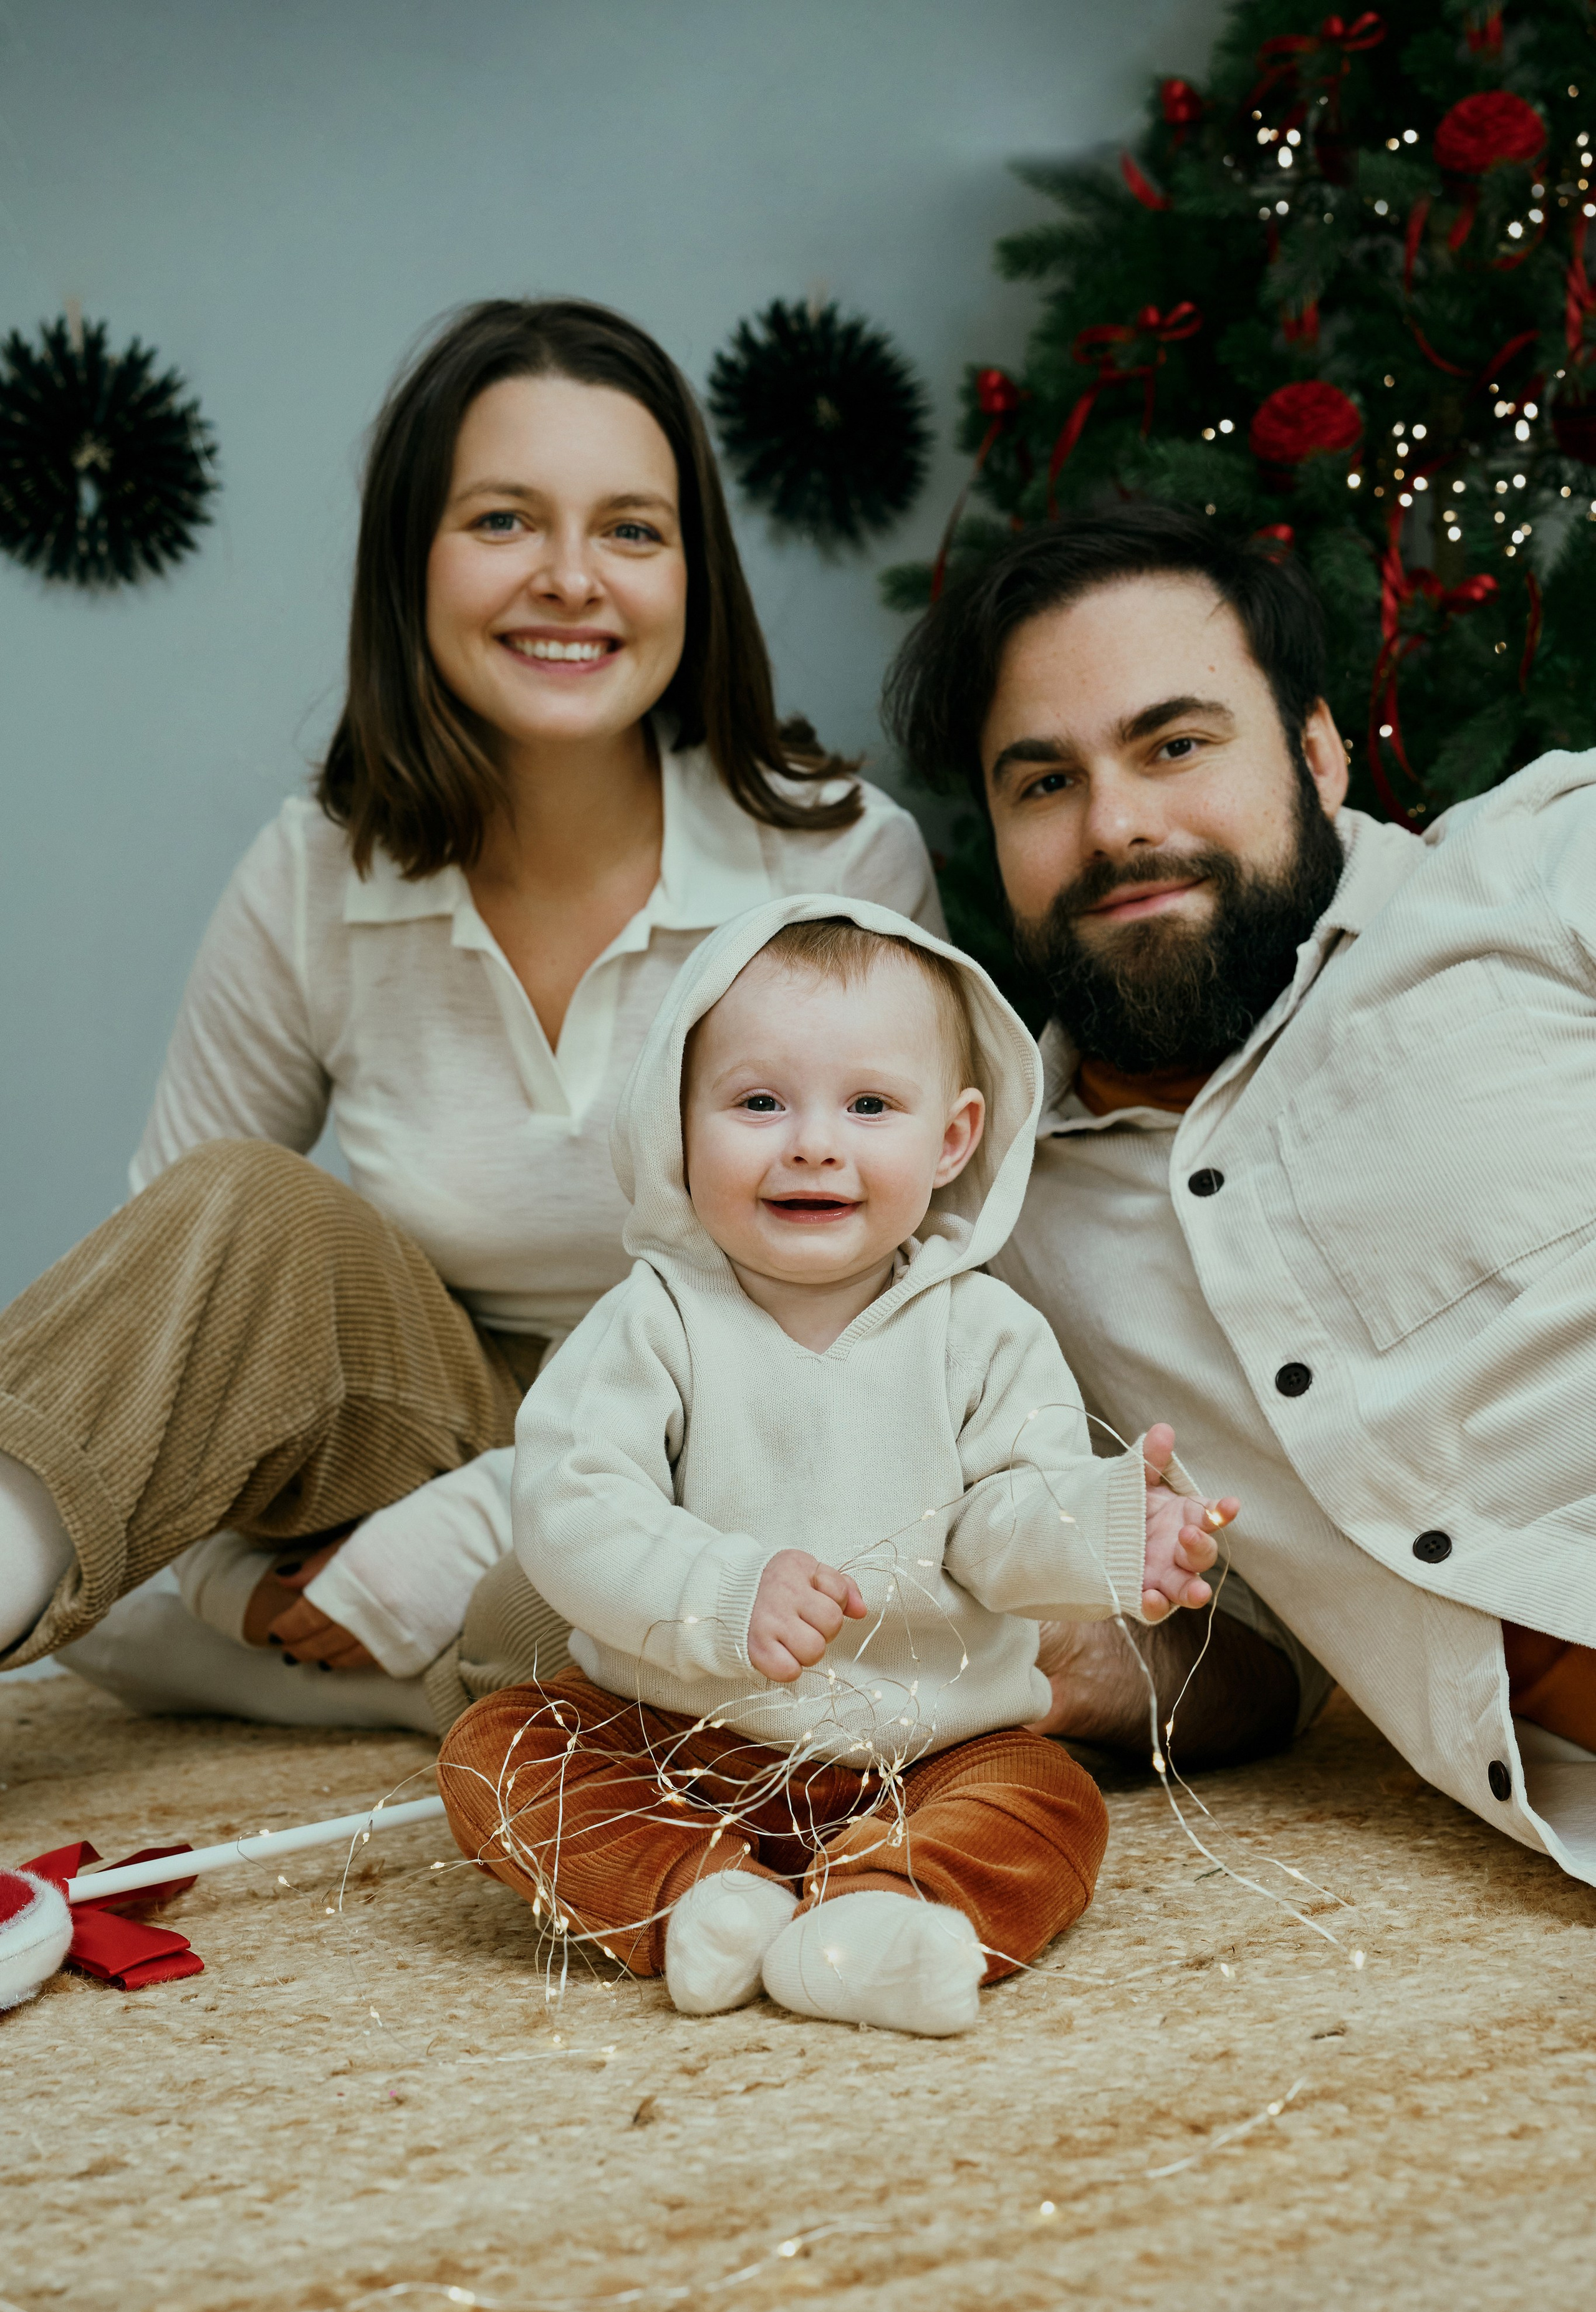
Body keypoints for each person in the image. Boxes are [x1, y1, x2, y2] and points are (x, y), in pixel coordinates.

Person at [0, 298, 940, 1735]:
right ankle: (393, 1659)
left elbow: (891, 1315)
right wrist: (225, 1579)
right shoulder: (316, 867)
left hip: (730, 1440)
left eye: (631, 531)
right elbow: (171, 1310)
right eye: (504, 521)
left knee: (613, 1602)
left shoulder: (836, 864)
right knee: (238, 1209)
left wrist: (445, 1546)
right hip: (430, 1411)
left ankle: (436, 1665)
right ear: (410, 565)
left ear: (694, 577)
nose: (571, 579)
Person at [884, 501, 1596, 1886]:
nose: (1116, 825)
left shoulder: (1539, 870)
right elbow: (1256, 1664)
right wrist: (1050, 1657)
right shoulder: (995, 1230)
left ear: (1319, 754)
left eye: (1175, 744)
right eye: (1041, 784)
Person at [438, 897, 1235, 2036]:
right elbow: (573, 1505)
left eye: (870, 1105)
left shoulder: (983, 1331)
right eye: (759, 1103)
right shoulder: (653, 1320)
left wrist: (1114, 1533)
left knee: (1050, 1801)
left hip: (931, 1745)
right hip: (675, 1735)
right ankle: (701, 1900)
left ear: (952, 1138)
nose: (813, 1142)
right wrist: (722, 1591)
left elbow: (1004, 1522)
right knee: (497, 1753)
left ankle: (878, 1917)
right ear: (681, 1121)